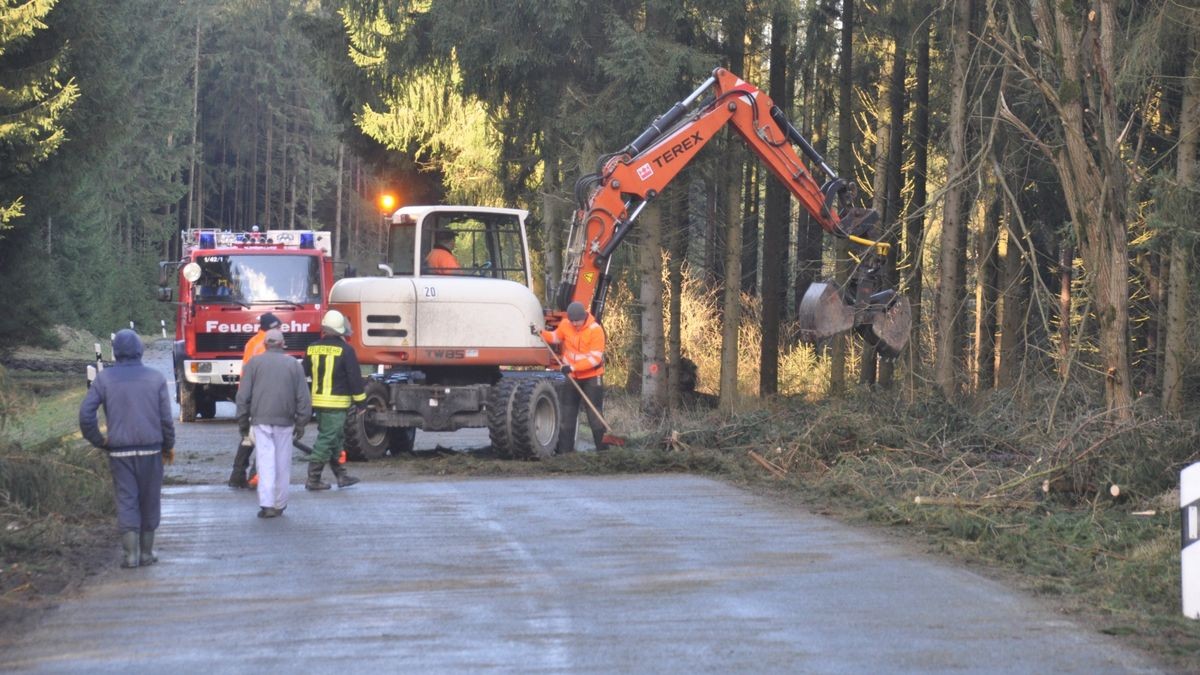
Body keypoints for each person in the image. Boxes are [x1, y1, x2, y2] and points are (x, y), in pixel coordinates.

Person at [79, 329, 175, 568]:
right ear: (140, 350)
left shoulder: (104, 379)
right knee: (149, 500)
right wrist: (168, 445)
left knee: (127, 499)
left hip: (119, 451)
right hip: (151, 449)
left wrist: (99, 441)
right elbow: (166, 419)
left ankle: (130, 556)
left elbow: (86, 414)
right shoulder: (156, 378)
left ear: (116, 352)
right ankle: (146, 553)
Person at [235, 329, 311, 518]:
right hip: (285, 420)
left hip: (261, 421)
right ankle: (280, 503)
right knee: (282, 462)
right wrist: (301, 422)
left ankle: (267, 504)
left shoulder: (253, 363)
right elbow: (303, 397)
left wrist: (243, 424)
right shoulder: (294, 365)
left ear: (265, 344)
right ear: (282, 344)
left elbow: (242, 396)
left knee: (265, 461)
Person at [302, 309, 365, 490]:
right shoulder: (346, 350)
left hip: (318, 403)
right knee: (327, 438)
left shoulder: (312, 348)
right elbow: (354, 378)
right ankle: (313, 479)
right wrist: (361, 403)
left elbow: (302, 374)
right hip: (337, 404)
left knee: (336, 438)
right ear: (341, 330)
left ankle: (341, 476)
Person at [541, 301, 607, 453]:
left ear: (584, 317)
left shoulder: (595, 330)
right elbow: (555, 337)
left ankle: (603, 452)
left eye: (578, 321)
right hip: (571, 377)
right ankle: (565, 453)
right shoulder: (565, 325)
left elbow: (594, 359)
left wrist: (573, 367)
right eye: (572, 321)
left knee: (594, 415)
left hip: (592, 377)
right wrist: (540, 333)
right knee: (567, 414)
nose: (575, 324)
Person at [228, 312, 282, 489]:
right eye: (279, 327)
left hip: (248, 395)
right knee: (266, 436)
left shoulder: (252, 342)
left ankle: (237, 475)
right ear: (272, 328)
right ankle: (256, 475)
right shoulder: (267, 344)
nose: (281, 330)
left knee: (249, 437)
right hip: (263, 396)